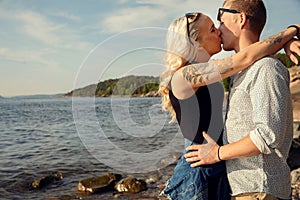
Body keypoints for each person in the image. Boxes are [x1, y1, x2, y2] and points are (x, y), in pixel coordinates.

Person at [183, 0, 300, 199]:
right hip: (245, 189)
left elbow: (266, 136)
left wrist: (217, 154)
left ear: (241, 18)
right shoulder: (241, 71)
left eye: (220, 20)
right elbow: (243, 59)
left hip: (259, 189)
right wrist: (291, 33)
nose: (219, 30)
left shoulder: (265, 68)